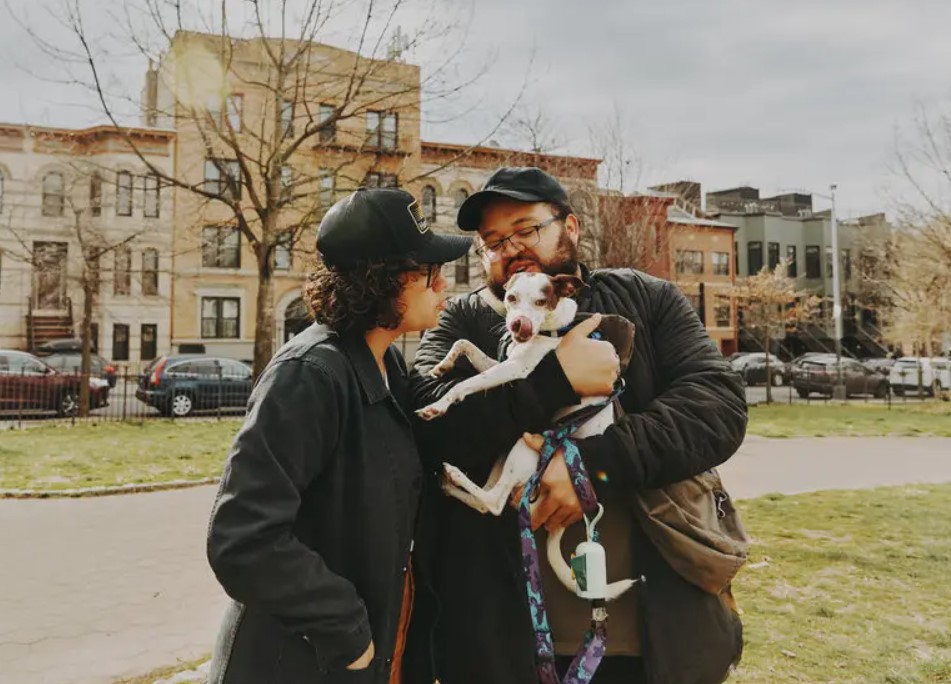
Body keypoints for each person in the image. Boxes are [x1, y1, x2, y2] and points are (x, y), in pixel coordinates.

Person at [411, 167, 749, 684]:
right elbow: (430, 426)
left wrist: (589, 469)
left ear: (570, 227)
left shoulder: (645, 299)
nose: (511, 248)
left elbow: (717, 406)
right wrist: (554, 382)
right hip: (499, 644)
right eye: (494, 241)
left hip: (645, 638)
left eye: (527, 229)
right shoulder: (464, 321)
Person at [206, 188, 471, 684]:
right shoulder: (309, 375)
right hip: (293, 665)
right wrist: (350, 633)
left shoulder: (385, 361)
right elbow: (242, 541)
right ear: (386, 279)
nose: (444, 286)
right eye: (431, 272)